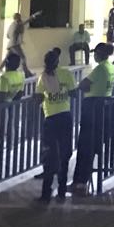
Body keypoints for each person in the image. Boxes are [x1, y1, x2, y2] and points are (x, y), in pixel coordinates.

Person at [71, 41, 114, 196]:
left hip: (92, 108)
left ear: (99, 54)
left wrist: (81, 86)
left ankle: (80, 183)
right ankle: (84, 182)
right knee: (95, 145)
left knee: (85, 147)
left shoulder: (99, 69)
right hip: (104, 108)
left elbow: (83, 85)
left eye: (95, 53)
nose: (94, 56)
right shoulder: (110, 67)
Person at [35, 47, 77, 202]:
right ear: (58, 61)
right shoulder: (66, 74)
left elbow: (38, 98)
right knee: (65, 154)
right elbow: (74, 93)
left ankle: (46, 193)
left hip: (50, 119)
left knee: (49, 155)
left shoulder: (43, 77)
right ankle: (62, 190)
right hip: (65, 116)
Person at [3, 9, 39, 75]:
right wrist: (34, 16)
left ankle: (1, 71)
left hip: (10, 45)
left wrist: (14, 37)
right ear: (18, 18)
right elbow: (26, 22)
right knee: (23, 58)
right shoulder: (18, 23)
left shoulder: (11, 24)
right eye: (19, 17)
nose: (21, 18)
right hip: (15, 45)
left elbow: (7, 35)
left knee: (7, 59)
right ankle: (27, 73)